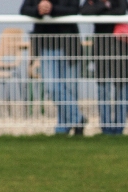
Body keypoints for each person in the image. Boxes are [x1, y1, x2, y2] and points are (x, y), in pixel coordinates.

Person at [20, 0, 86, 135]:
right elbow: (25, 8)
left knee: (70, 89)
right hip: (46, 45)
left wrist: (51, 9)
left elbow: (74, 9)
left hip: (69, 46)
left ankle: (63, 127)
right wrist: (38, 9)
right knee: (51, 86)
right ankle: (78, 119)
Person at [81, 0, 128, 135]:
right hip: (101, 46)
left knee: (122, 86)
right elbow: (84, 11)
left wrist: (98, 9)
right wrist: (104, 5)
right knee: (103, 87)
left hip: (121, 47)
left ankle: (119, 127)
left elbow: (120, 11)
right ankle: (106, 128)